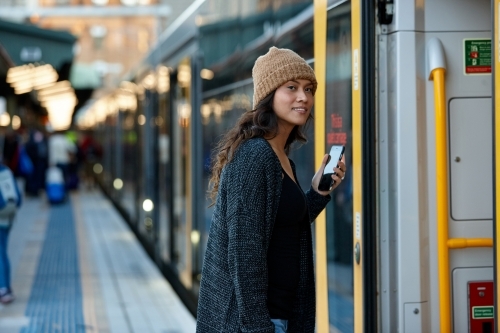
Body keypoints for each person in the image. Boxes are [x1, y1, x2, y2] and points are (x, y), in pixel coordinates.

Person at [196, 47, 347, 333]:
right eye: (291, 87)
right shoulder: (255, 156)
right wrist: (258, 328)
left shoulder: (281, 158)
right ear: (268, 95)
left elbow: (282, 229)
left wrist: (318, 194)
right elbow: (244, 254)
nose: (304, 97)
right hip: (257, 323)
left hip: (281, 316)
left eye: (309, 88)